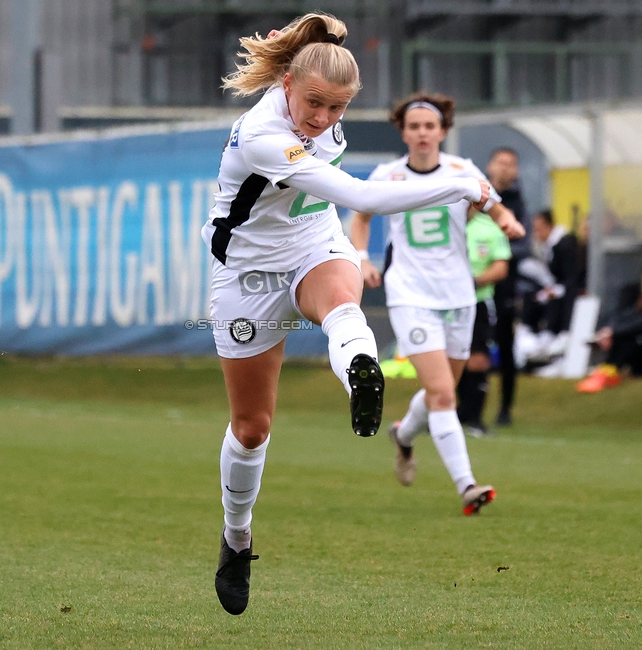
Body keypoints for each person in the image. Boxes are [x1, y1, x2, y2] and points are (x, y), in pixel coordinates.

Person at [205, 14, 491, 616]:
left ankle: (361, 366)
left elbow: (338, 207)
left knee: (343, 302)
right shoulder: (262, 132)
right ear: (286, 84)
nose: (322, 120)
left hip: (314, 246)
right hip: (248, 273)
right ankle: (236, 539)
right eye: (314, 104)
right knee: (252, 427)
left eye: (336, 110)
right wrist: (459, 185)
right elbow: (362, 197)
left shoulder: (321, 113)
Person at [349, 91, 523, 517]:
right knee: (444, 394)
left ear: (443, 131)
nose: (423, 133)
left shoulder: (461, 170)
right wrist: (362, 259)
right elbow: (361, 216)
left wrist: (507, 221)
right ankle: (467, 485)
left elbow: (491, 205)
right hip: (410, 294)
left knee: (441, 391)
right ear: (403, 133)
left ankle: (404, 436)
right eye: (414, 127)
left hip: (459, 295)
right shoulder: (388, 175)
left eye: (430, 126)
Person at [457, 211, 511, 437]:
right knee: (452, 359)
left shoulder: (489, 228)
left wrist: (475, 281)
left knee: (478, 359)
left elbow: (501, 267)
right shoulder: (444, 219)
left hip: (478, 301)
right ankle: (457, 414)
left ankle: (475, 418)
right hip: (446, 301)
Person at [486, 147, 530, 426]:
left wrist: (497, 253)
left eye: (510, 164)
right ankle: (460, 405)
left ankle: (505, 408)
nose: (505, 169)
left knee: (505, 342)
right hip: (468, 278)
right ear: (490, 166)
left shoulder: (518, 202)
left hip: (503, 281)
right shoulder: (477, 194)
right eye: (501, 163)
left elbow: (524, 243)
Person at [518, 209, 580, 341]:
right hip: (558, 286)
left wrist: (554, 290)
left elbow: (570, 277)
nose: (536, 234)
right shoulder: (549, 247)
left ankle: (552, 333)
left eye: (538, 229)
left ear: (548, 226)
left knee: (549, 299)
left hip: (568, 291)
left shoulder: (565, 245)